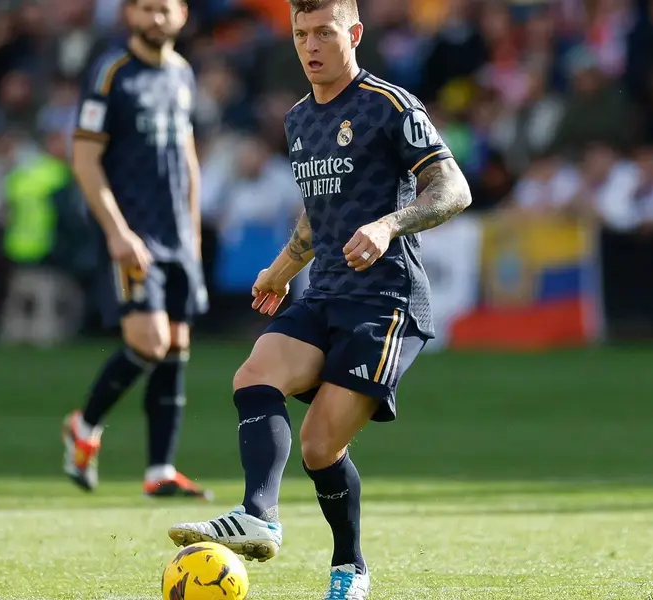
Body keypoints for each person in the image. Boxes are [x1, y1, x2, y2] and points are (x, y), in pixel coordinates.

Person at [167, 0, 472, 597]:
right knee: (253, 376)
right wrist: (282, 267)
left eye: (324, 33)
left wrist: (390, 225)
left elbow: (453, 188)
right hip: (326, 291)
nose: (310, 46)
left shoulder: (390, 106)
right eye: (301, 34)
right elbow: (320, 211)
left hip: (387, 302)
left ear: (353, 34)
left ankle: (349, 566)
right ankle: (260, 514)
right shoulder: (300, 118)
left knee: (319, 445)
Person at [62, 0, 209, 499]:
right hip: (135, 234)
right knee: (149, 341)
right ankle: (85, 426)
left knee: (177, 347)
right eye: (146, 8)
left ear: (182, 15)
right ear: (129, 14)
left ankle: (160, 471)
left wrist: (193, 232)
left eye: (164, 9)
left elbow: (187, 157)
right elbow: (84, 159)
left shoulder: (183, 74)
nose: (156, 19)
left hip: (178, 236)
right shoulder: (111, 73)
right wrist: (116, 231)